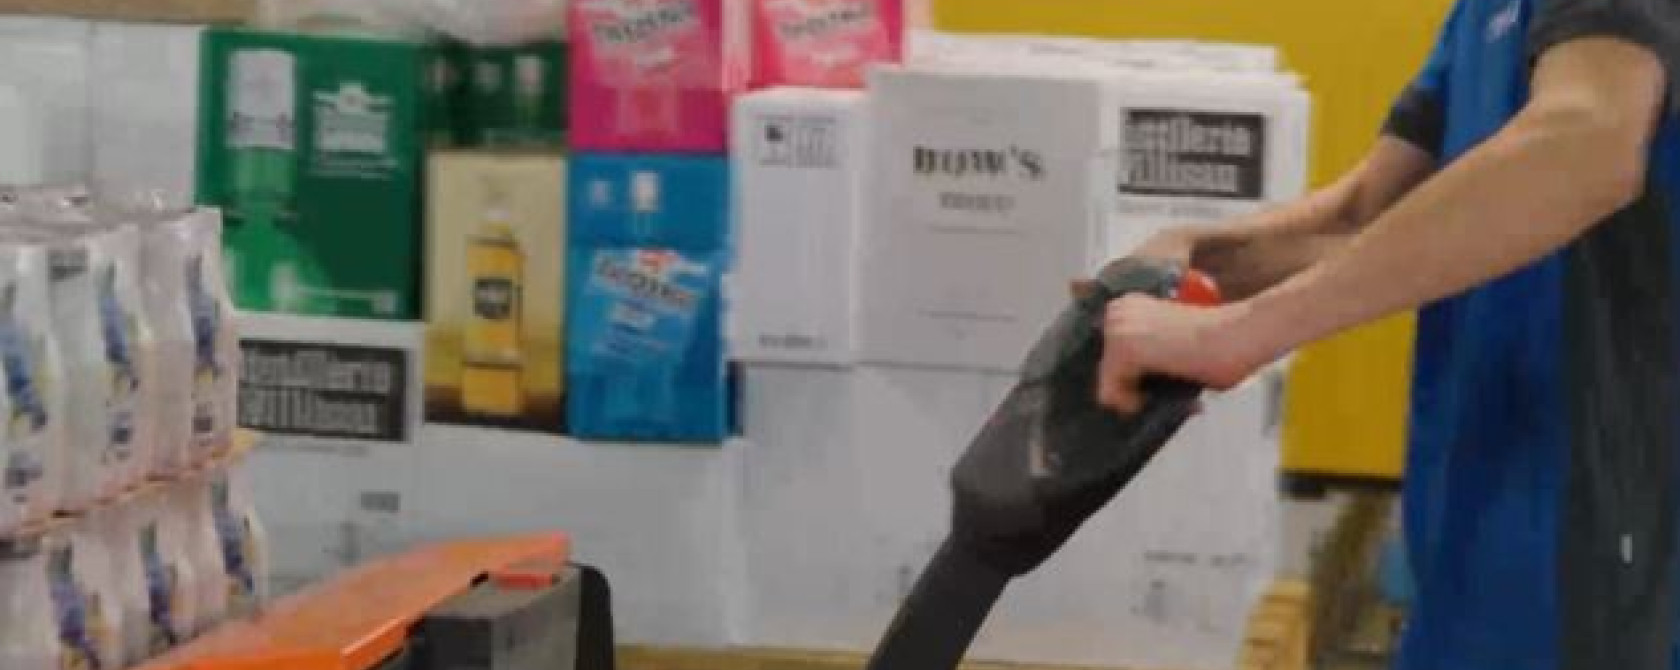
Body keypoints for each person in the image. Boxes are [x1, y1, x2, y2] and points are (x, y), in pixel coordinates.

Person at [1096, 0, 1680, 667]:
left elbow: (1587, 143)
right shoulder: (1478, 15)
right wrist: (1196, 262)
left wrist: (1235, 336)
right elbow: (1370, 219)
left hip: (1609, 558)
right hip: (1473, 548)